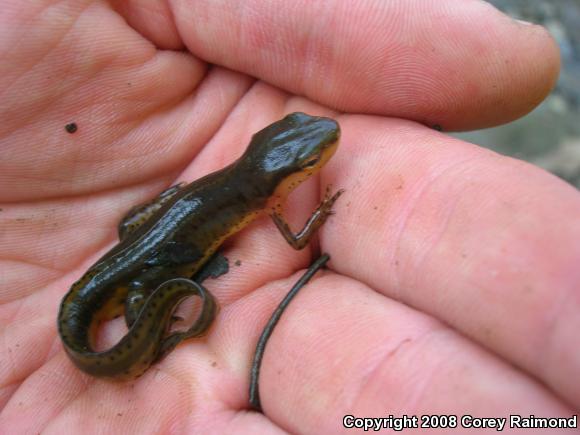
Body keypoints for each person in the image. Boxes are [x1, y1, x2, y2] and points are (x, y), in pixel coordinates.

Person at [0, 1, 577, 432]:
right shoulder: (262, 200)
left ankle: (166, 281)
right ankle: (159, 299)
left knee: (153, 249)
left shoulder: (251, 188)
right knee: (151, 280)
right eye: (312, 160)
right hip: (134, 271)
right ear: (278, 172)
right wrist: (320, 212)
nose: (325, 147)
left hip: (139, 241)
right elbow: (297, 235)